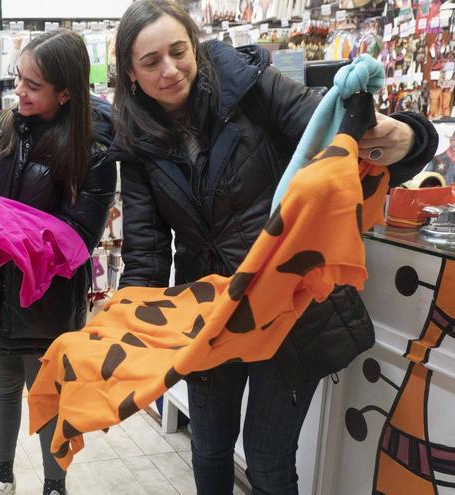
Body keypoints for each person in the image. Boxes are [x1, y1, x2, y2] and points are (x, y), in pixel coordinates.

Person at [109, 1, 438, 494]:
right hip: (210, 311)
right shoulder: (135, 139)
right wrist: (125, 336)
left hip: (289, 305)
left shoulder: (251, 88)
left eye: (178, 52)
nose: (170, 70)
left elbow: (340, 142)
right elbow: (147, 251)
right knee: (210, 447)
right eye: (150, 62)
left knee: (267, 459)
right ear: (130, 74)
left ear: (195, 47)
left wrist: (408, 136)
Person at [0, 29, 116, 495]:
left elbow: (78, 236)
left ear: (66, 91)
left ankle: (55, 484)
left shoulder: (93, 151)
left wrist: (17, 245)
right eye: (18, 79)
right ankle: (2, 473)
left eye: (32, 85)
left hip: (48, 298)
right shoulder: (3, 127)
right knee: (3, 381)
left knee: (47, 392)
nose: (18, 90)